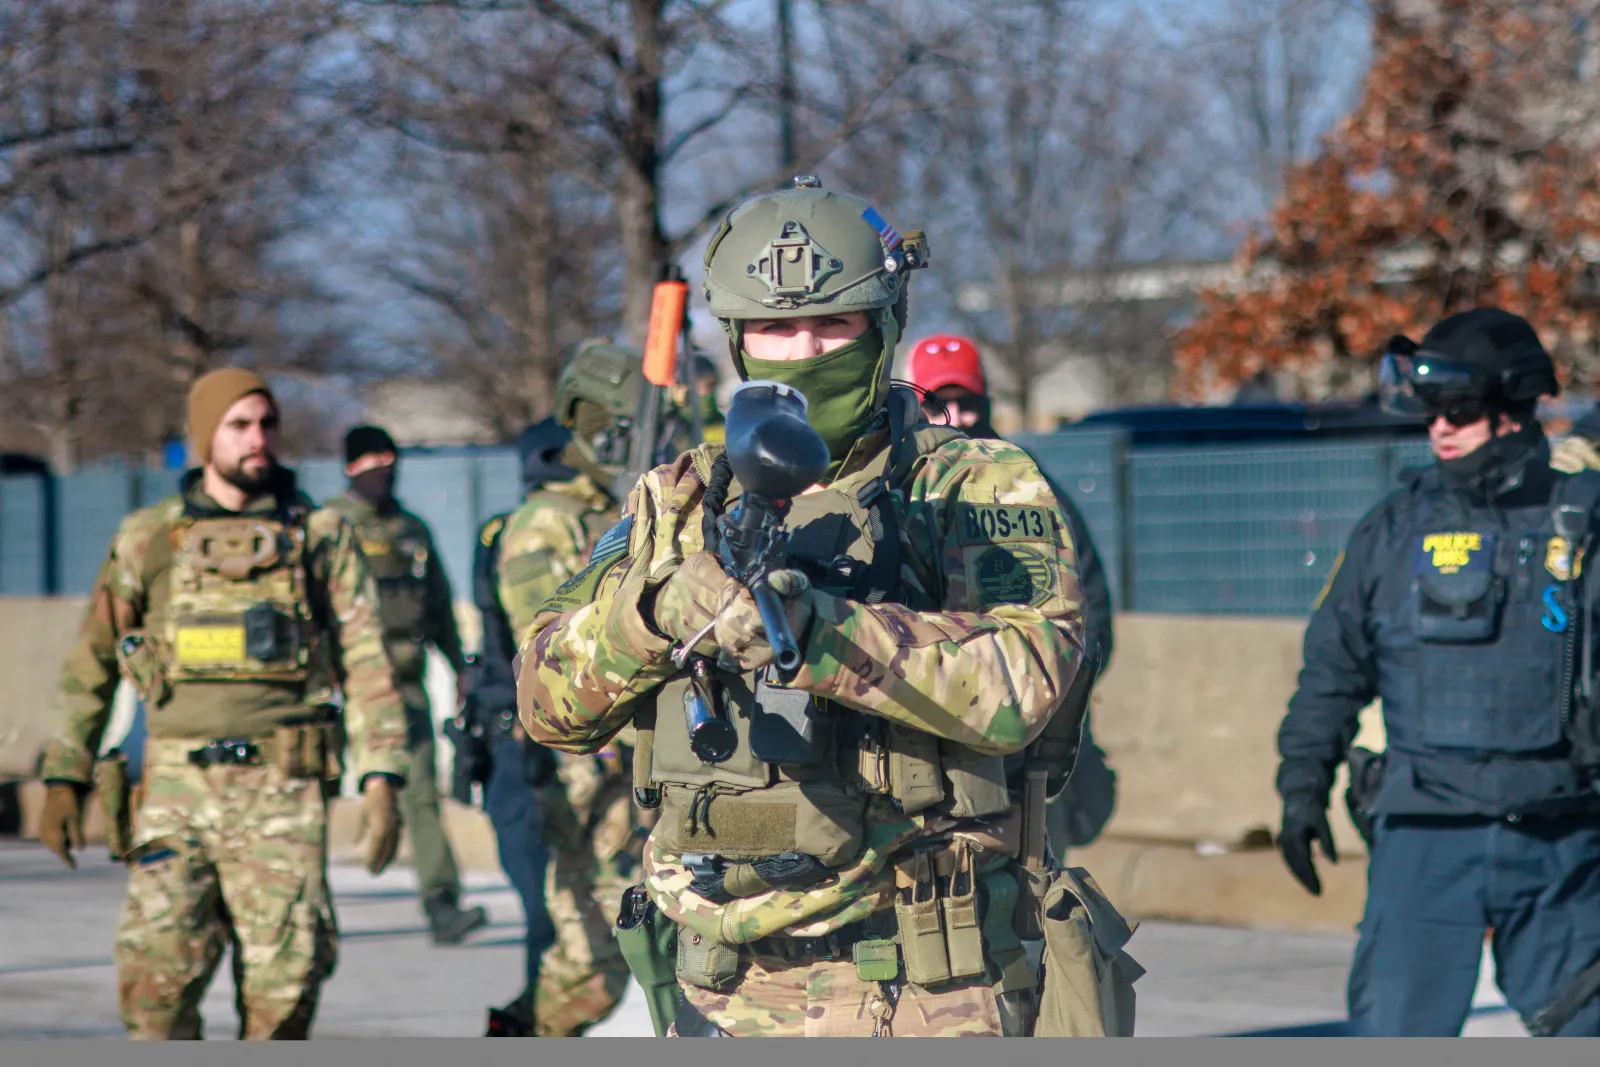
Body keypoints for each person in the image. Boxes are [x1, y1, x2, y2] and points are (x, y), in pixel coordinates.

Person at [515, 177, 1138, 1038]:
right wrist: (653, 612)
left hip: (922, 980)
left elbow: (1024, 683)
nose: (802, 353)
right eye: (773, 330)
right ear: (737, 340)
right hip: (720, 983)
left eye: (830, 326)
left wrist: (819, 632)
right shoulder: (675, 499)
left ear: (883, 327)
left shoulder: (972, 483)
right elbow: (544, 702)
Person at [34, 368, 411, 1040]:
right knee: (155, 988)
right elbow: (93, 657)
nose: (257, 439)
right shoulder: (149, 536)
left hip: (285, 790)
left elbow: (366, 659)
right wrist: (64, 773)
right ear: (206, 434)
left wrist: (384, 774)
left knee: (284, 996)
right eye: (239, 425)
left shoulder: (320, 535)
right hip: (177, 790)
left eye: (267, 423)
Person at [1276, 308, 1600, 1037]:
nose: (1440, 429)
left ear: (1514, 408)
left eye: (1460, 410)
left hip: (1561, 840)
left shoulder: (1584, 523)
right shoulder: (1392, 529)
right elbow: (1332, 668)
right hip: (1425, 836)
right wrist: (1302, 786)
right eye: (1432, 412)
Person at [472, 344, 654, 1036]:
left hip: (626, 765)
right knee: (591, 954)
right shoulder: (544, 524)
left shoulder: (619, 508)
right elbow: (547, 655)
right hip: (584, 770)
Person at [905, 334, 1119, 851]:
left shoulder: (1025, 485)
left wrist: (1047, 691)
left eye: (967, 401)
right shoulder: (900, 487)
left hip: (1023, 734)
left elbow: (1090, 615)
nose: (956, 414)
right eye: (938, 402)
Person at [325, 426, 488, 945]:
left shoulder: (412, 530)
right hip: (340, 687)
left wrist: (458, 663)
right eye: (370, 458)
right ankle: (305, 908)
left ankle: (442, 905)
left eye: (389, 456)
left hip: (405, 687)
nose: (383, 465)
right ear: (350, 466)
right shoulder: (330, 526)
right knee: (314, 792)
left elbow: (436, 604)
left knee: (420, 794)